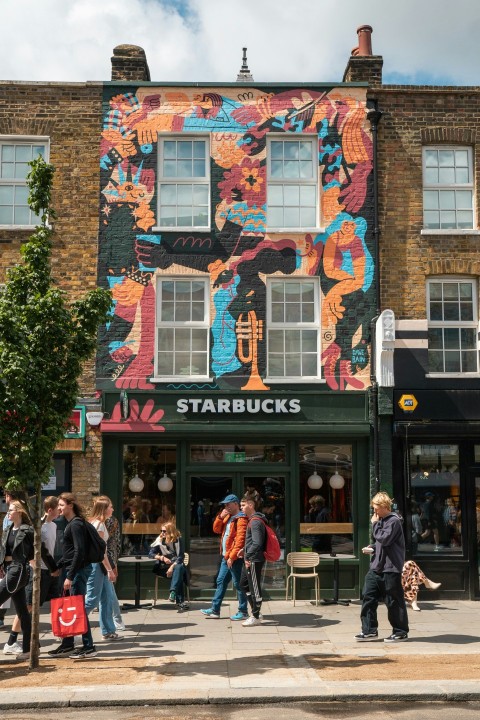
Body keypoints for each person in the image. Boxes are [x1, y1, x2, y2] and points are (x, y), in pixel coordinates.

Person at [355, 492, 409, 643]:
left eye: (376, 509)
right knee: (368, 596)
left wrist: (374, 524)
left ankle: (400, 632)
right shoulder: (383, 521)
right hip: (376, 567)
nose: (374, 512)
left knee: (393, 600)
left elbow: (385, 539)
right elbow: (381, 542)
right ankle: (369, 630)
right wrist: (372, 548)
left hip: (390, 568)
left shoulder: (394, 521)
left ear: (385, 507)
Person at [47, 492, 97, 658]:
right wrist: (58, 566)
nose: (59, 508)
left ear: (70, 505)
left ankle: (88, 646)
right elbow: (69, 554)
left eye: (61, 505)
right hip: (71, 569)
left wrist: (70, 576)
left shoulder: (75, 525)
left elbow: (79, 551)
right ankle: (67, 643)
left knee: (78, 608)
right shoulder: (71, 524)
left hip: (77, 571)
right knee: (69, 607)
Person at [200, 493, 248, 621]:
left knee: (238, 584)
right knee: (221, 581)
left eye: (228, 504)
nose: (226, 506)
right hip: (226, 557)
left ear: (236, 504)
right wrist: (220, 518)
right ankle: (215, 610)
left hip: (234, 558)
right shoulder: (228, 517)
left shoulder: (241, 519)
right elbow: (216, 530)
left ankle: (243, 611)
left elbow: (240, 540)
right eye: (225, 504)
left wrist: (232, 557)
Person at [0, 501, 34, 659]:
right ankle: (29, 650)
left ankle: (29, 649)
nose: (8, 512)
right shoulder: (7, 530)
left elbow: (36, 552)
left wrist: (51, 568)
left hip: (18, 570)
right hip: (8, 569)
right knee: (22, 612)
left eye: (11, 510)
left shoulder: (27, 530)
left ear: (19, 512)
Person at [85, 496, 120, 641]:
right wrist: (110, 570)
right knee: (92, 600)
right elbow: (101, 552)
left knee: (107, 597)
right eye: (110, 507)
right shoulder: (98, 525)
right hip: (97, 565)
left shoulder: (97, 523)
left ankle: (108, 631)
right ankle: (71, 624)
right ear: (104, 510)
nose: (112, 509)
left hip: (99, 564)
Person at [239, 490, 267, 627]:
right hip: (249, 557)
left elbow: (257, 543)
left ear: (251, 504)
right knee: (243, 584)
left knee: (255, 588)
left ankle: (255, 615)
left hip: (254, 560)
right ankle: (256, 612)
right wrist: (243, 550)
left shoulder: (255, 522)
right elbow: (253, 542)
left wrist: (248, 556)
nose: (241, 508)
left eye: (243, 505)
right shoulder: (252, 520)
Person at [149, 521, 188, 609]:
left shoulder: (178, 540)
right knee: (179, 572)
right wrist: (162, 558)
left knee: (179, 568)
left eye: (164, 531)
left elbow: (181, 556)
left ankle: (173, 592)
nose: (162, 533)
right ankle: (179, 600)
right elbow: (150, 554)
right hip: (163, 568)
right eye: (161, 531)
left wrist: (171, 567)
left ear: (170, 532)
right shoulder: (159, 541)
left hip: (174, 566)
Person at [103, 499, 126, 632]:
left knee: (108, 592)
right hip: (103, 560)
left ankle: (116, 620)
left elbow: (112, 544)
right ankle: (112, 624)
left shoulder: (110, 521)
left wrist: (112, 564)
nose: (113, 509)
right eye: (110, 507)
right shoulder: (99, 522)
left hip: (105, 560)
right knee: (105, 593)